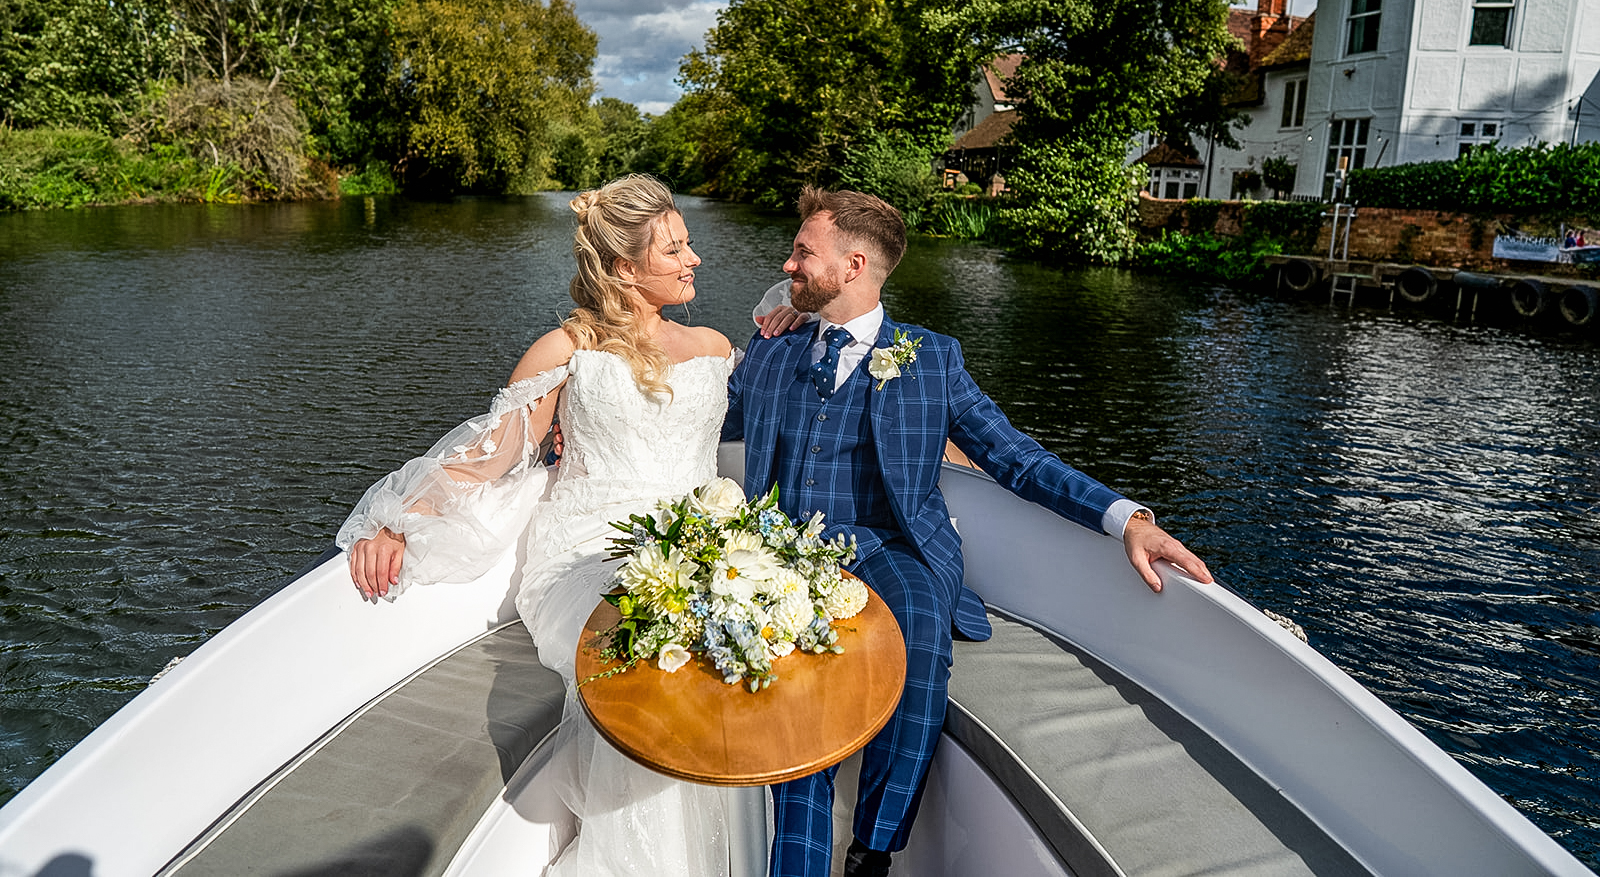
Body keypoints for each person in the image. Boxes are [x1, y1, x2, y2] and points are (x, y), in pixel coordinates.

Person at [724, 187, 1213, 877]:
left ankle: (874, 850)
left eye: (804, 252)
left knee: (921, 633)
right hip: (785, 551)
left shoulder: (932, 358)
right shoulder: (772, 347)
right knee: (796, 686)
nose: (788, 263)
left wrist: (1126, 516)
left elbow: (1015, 456)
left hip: (894, 544)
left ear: (854, 263)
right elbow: (712, 426)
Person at [337, 174, 750, 877]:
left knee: (722, 634)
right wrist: (396, 519)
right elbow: (486, 459)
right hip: (587, 551)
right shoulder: (565, 350)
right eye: (676, 248)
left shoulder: (714, 345)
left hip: (700, 542)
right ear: (624, 267)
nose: (694, 259)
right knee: (647, 639)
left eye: (688, 243)